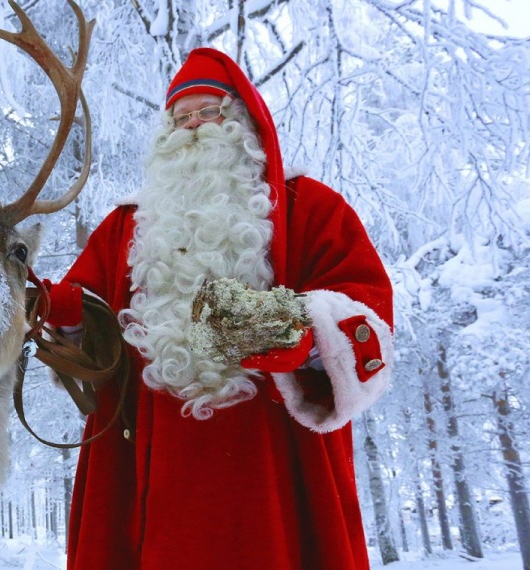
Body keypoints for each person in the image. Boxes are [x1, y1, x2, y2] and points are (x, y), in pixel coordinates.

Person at [44, 48, 394, 569]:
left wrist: (299, 332)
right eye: (180, 119)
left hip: (270, 466)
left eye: (207, 113)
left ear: (243, 123)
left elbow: (367, 311)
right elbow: (87, 331)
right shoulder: (126, 228)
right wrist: (62, 314)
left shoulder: (310, 207)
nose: (192, 129)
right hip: (152, 468)